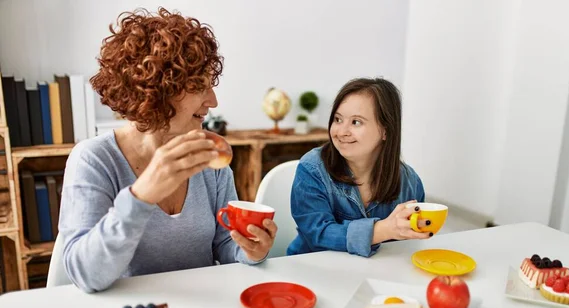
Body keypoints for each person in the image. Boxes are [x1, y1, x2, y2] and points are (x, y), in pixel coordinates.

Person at [58, 7, 277, 293]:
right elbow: (86, 275)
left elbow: (225, 245)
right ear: (157, 90)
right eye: (199, 86)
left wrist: (251, 251)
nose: (213, 100)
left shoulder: (210, 159)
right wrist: (142, 196)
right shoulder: (94, 160)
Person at [287, 77, 430, 257]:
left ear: (386, 130)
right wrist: (380, 230)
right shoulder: (312, 169)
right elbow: (317, 234)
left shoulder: (410, 183)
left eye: (356, 122)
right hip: (313, 270)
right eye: (338, 119)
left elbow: (408, 245)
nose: (342, 131)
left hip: (377, 273)